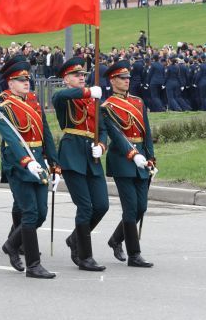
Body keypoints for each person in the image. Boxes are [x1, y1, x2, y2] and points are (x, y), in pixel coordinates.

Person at [0, 59, 60, 279]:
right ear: (10, 82)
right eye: (21, 80)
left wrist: (54, 163)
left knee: (41, 214)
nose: (27, 82)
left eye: (27, 79)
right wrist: (27, 161)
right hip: (19, 165)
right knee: (30, 213)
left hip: (39, 163)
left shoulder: (33, 102)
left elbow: (46, 134)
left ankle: (12, 244)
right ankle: (33, 265)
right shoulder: (5, 107)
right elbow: (12, 140)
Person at [52, 57, 109, 271]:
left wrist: (102, 146)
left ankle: (75, 239)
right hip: (72, 153)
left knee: (102, 205)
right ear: (66, 79)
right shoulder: (63, 97)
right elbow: (61, 95)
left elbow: (101, 129)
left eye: (83, 75)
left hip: (91, 156)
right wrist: (88, 92)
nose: (81, 78)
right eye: (76, 75)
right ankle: (84, 256)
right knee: (85, 207)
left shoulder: (91, 100)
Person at [102, 60, 155, 268]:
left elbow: (146, 132)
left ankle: (116, 239)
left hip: (142, 157)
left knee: (141, 207)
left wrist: (151, 157)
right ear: (113, 81)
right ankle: (134, 254)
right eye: (122, 78)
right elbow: (115, 135)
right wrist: (133, 154)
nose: (126, 81)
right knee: (131, 208)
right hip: (123, 160)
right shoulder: (107, 107)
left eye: (127, 78)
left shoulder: (138, 102)